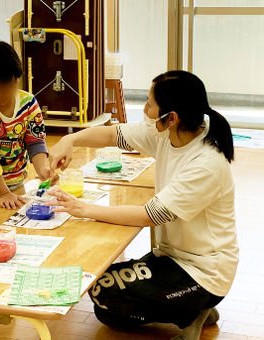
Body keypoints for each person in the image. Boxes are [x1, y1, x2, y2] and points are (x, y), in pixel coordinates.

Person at [47, 70, 238, 340]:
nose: (145, 110)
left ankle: (196, 309)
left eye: (149, 104)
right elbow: (112, 135)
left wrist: (84, 209)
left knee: (102, 292)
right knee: (101, 294)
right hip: (172, 257)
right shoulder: (167, 133)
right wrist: (69, 140)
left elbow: (149, 215)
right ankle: (195, 306)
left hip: (203, 272)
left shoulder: (206, 164)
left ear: (172, 117)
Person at [0, 41, 55, 215]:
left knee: (14, 225)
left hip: (17, 179)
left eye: (12, 86)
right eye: (0, 90)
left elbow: (35, 141)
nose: (7, 95)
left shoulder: (28, 102)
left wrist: (42, 170)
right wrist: (3, 192)